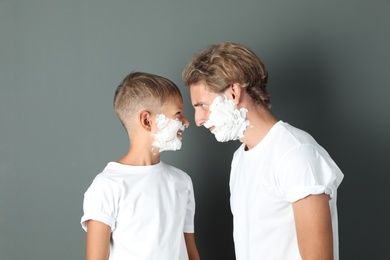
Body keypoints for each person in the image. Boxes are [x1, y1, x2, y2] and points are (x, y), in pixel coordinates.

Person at [183, 42, 344, 260]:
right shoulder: (240, 158)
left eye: (202, 105)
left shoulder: (296, 153)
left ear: (233, 92)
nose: (198, 120)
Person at [80, 72, 200, 260]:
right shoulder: (108, 186)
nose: (186, 122)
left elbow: (190, 253)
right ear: (147, 121)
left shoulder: (182, 182)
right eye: (178, 114)